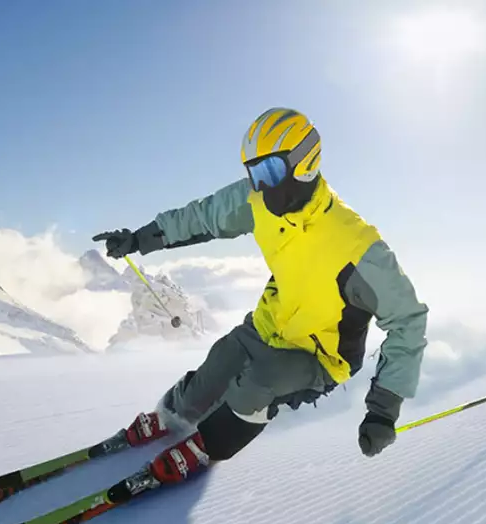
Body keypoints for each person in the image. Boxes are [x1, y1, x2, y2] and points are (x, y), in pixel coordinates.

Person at [94, 108, 428, 486]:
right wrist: (140, 238)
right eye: (253, 173)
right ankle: (172, 415)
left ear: (304, 163)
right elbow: (204, 216)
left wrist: (384, 410)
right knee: (218, 363)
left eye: (269, 170)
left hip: (319, 356)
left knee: (256, 385)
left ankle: (207, 447)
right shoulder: (259, 200)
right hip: (269, 326)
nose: (260, 185)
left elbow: (408, 320)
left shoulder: (358, 247)